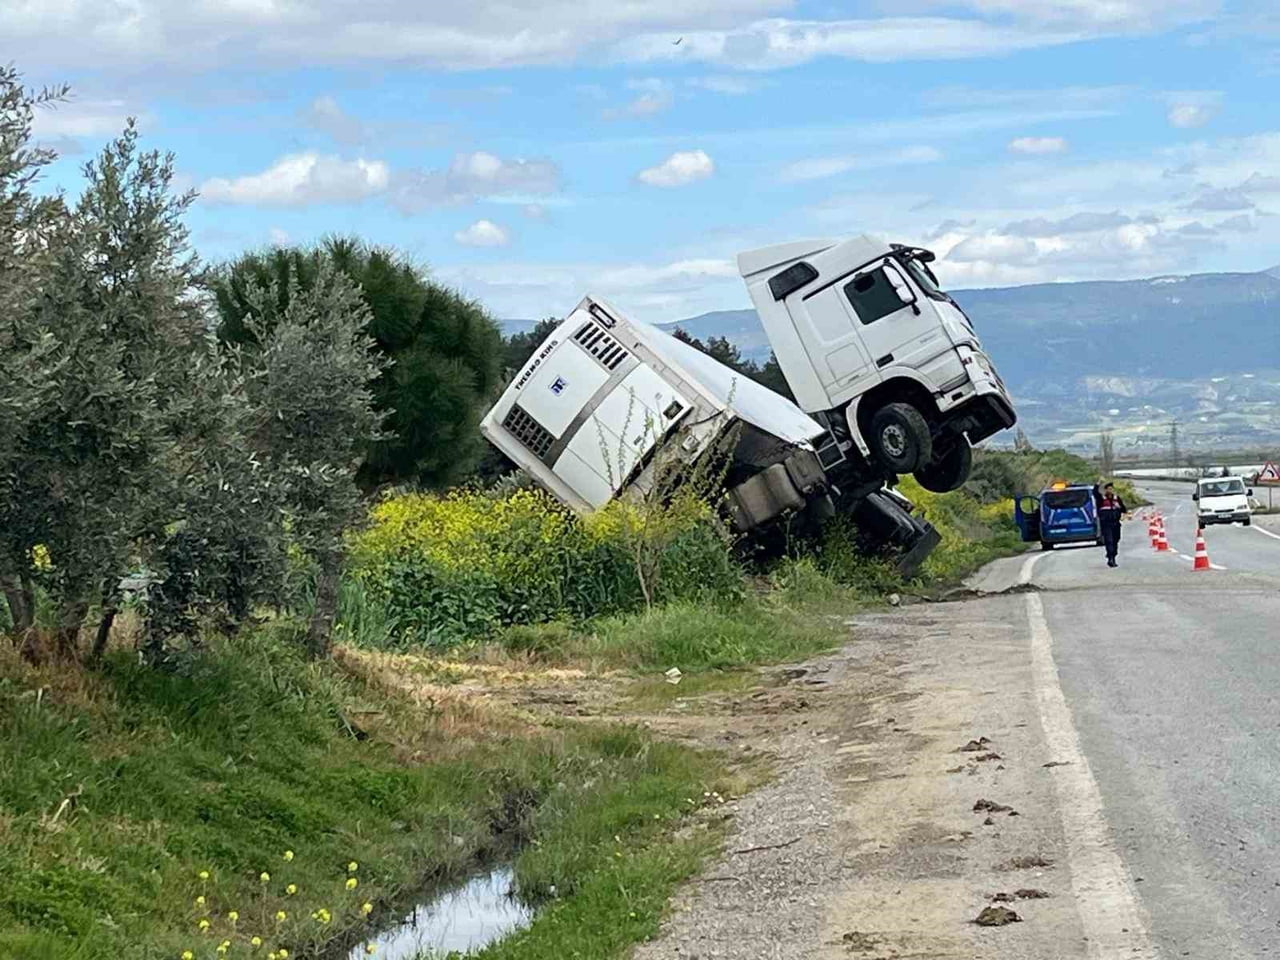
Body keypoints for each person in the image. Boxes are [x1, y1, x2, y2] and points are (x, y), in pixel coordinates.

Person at [1093, 481, 1127, 568]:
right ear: (1105, 490)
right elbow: (1095, 493)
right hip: (1106, 523)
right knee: (1109, 541)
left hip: (1116, 523)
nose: (1110, 490)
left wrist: (1119, 507)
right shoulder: (1101, 499)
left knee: (1116, 540)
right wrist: (1097, 485)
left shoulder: (1117, 498)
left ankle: (1113, 555)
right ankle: (1111, 559)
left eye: (1111, 489)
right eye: (1108, 489)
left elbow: (1124, 509)